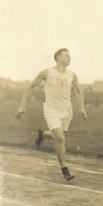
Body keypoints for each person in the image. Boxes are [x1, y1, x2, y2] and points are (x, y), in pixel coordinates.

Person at [16, 48, 87, 181]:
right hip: (51, 109)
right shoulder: (47, 72)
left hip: (66, 110)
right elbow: (30, 87)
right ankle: (65, 169)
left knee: (59, 136)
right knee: (60, 138)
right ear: (58, 57)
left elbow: (78, 91)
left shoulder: (72, 75)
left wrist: (82, 107)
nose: (69, 58)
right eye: (66, 55)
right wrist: (23, 105)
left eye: (69, 56)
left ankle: (42, 134)